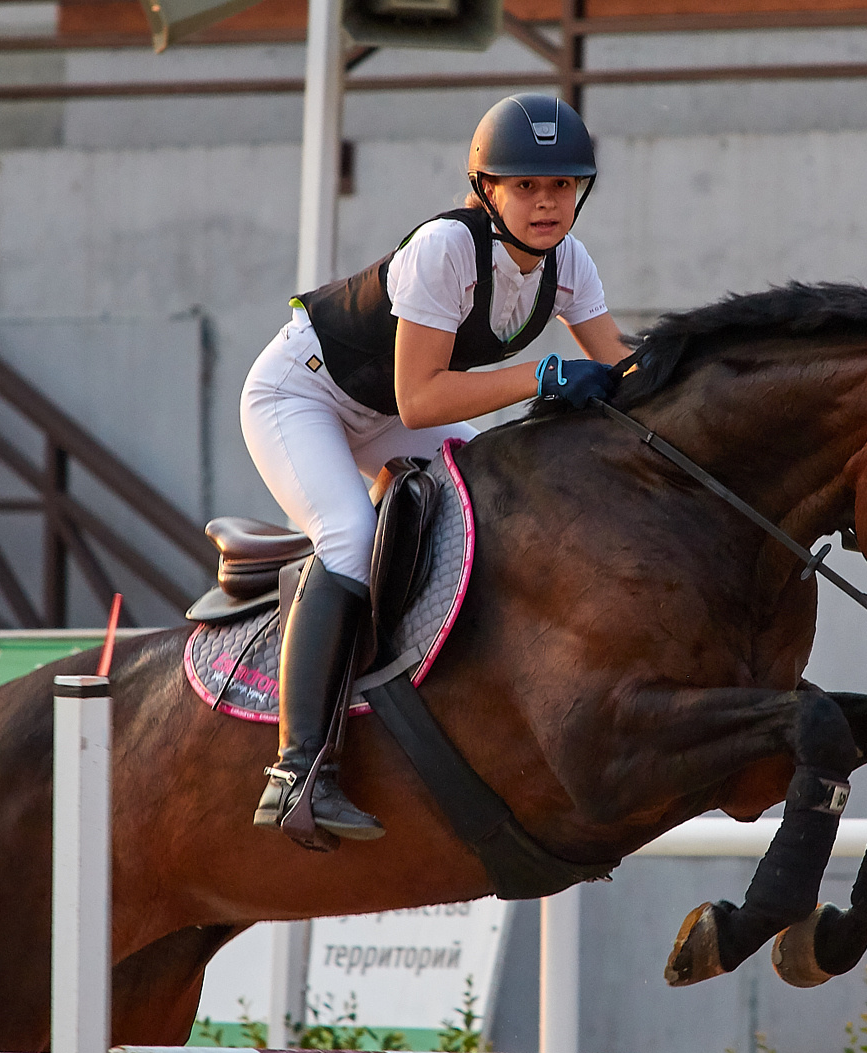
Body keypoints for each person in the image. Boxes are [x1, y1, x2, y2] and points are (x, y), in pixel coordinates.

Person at [240, 93, 633, 849]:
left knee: (495, 500)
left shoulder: (570, 264)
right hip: (304, 392)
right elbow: (420, 401)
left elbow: (619, 362)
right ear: (487, 190)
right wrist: (543, 375)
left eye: (561, 187)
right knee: (350, 535)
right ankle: (296, 774)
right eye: (526, 186)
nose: (546, 203)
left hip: (382, 408)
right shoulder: (447, 249)